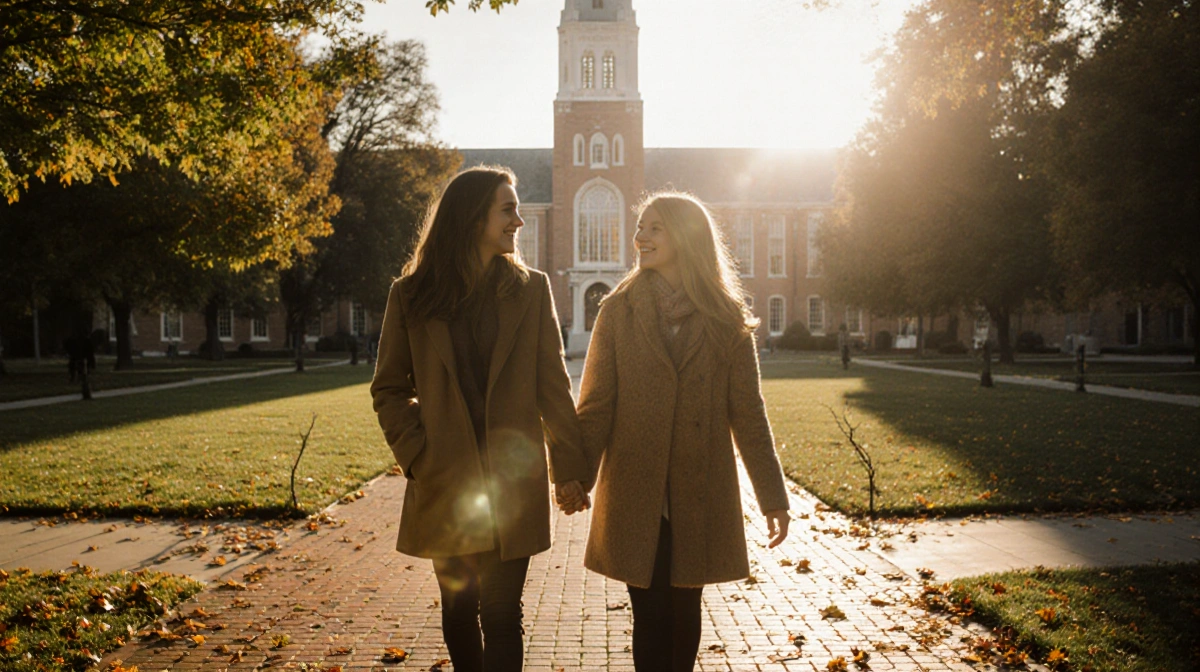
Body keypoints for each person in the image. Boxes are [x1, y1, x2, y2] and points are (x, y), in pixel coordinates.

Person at [370, 166, 589, 672]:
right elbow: (389, 388)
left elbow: (553, 385)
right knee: (459, 608)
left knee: (501, 610)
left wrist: (569, 468)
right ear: (473, 218)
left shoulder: (532, 290)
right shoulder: (410, 295)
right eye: (508, 210)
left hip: (513, 481)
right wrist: (417, 455)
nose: (518, 221)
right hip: (445, 480)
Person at [574, 192, 791, 672]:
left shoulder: (726, 318)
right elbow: (594, 408)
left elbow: (749, 414)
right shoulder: (617, 310)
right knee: (649, 612)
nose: (640, 237)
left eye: (655, 228)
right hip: (635, 490)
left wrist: (772, 496)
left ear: (687, 237)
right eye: (640, 227)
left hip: (698, 489)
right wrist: (574, 477)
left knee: (685, 610)